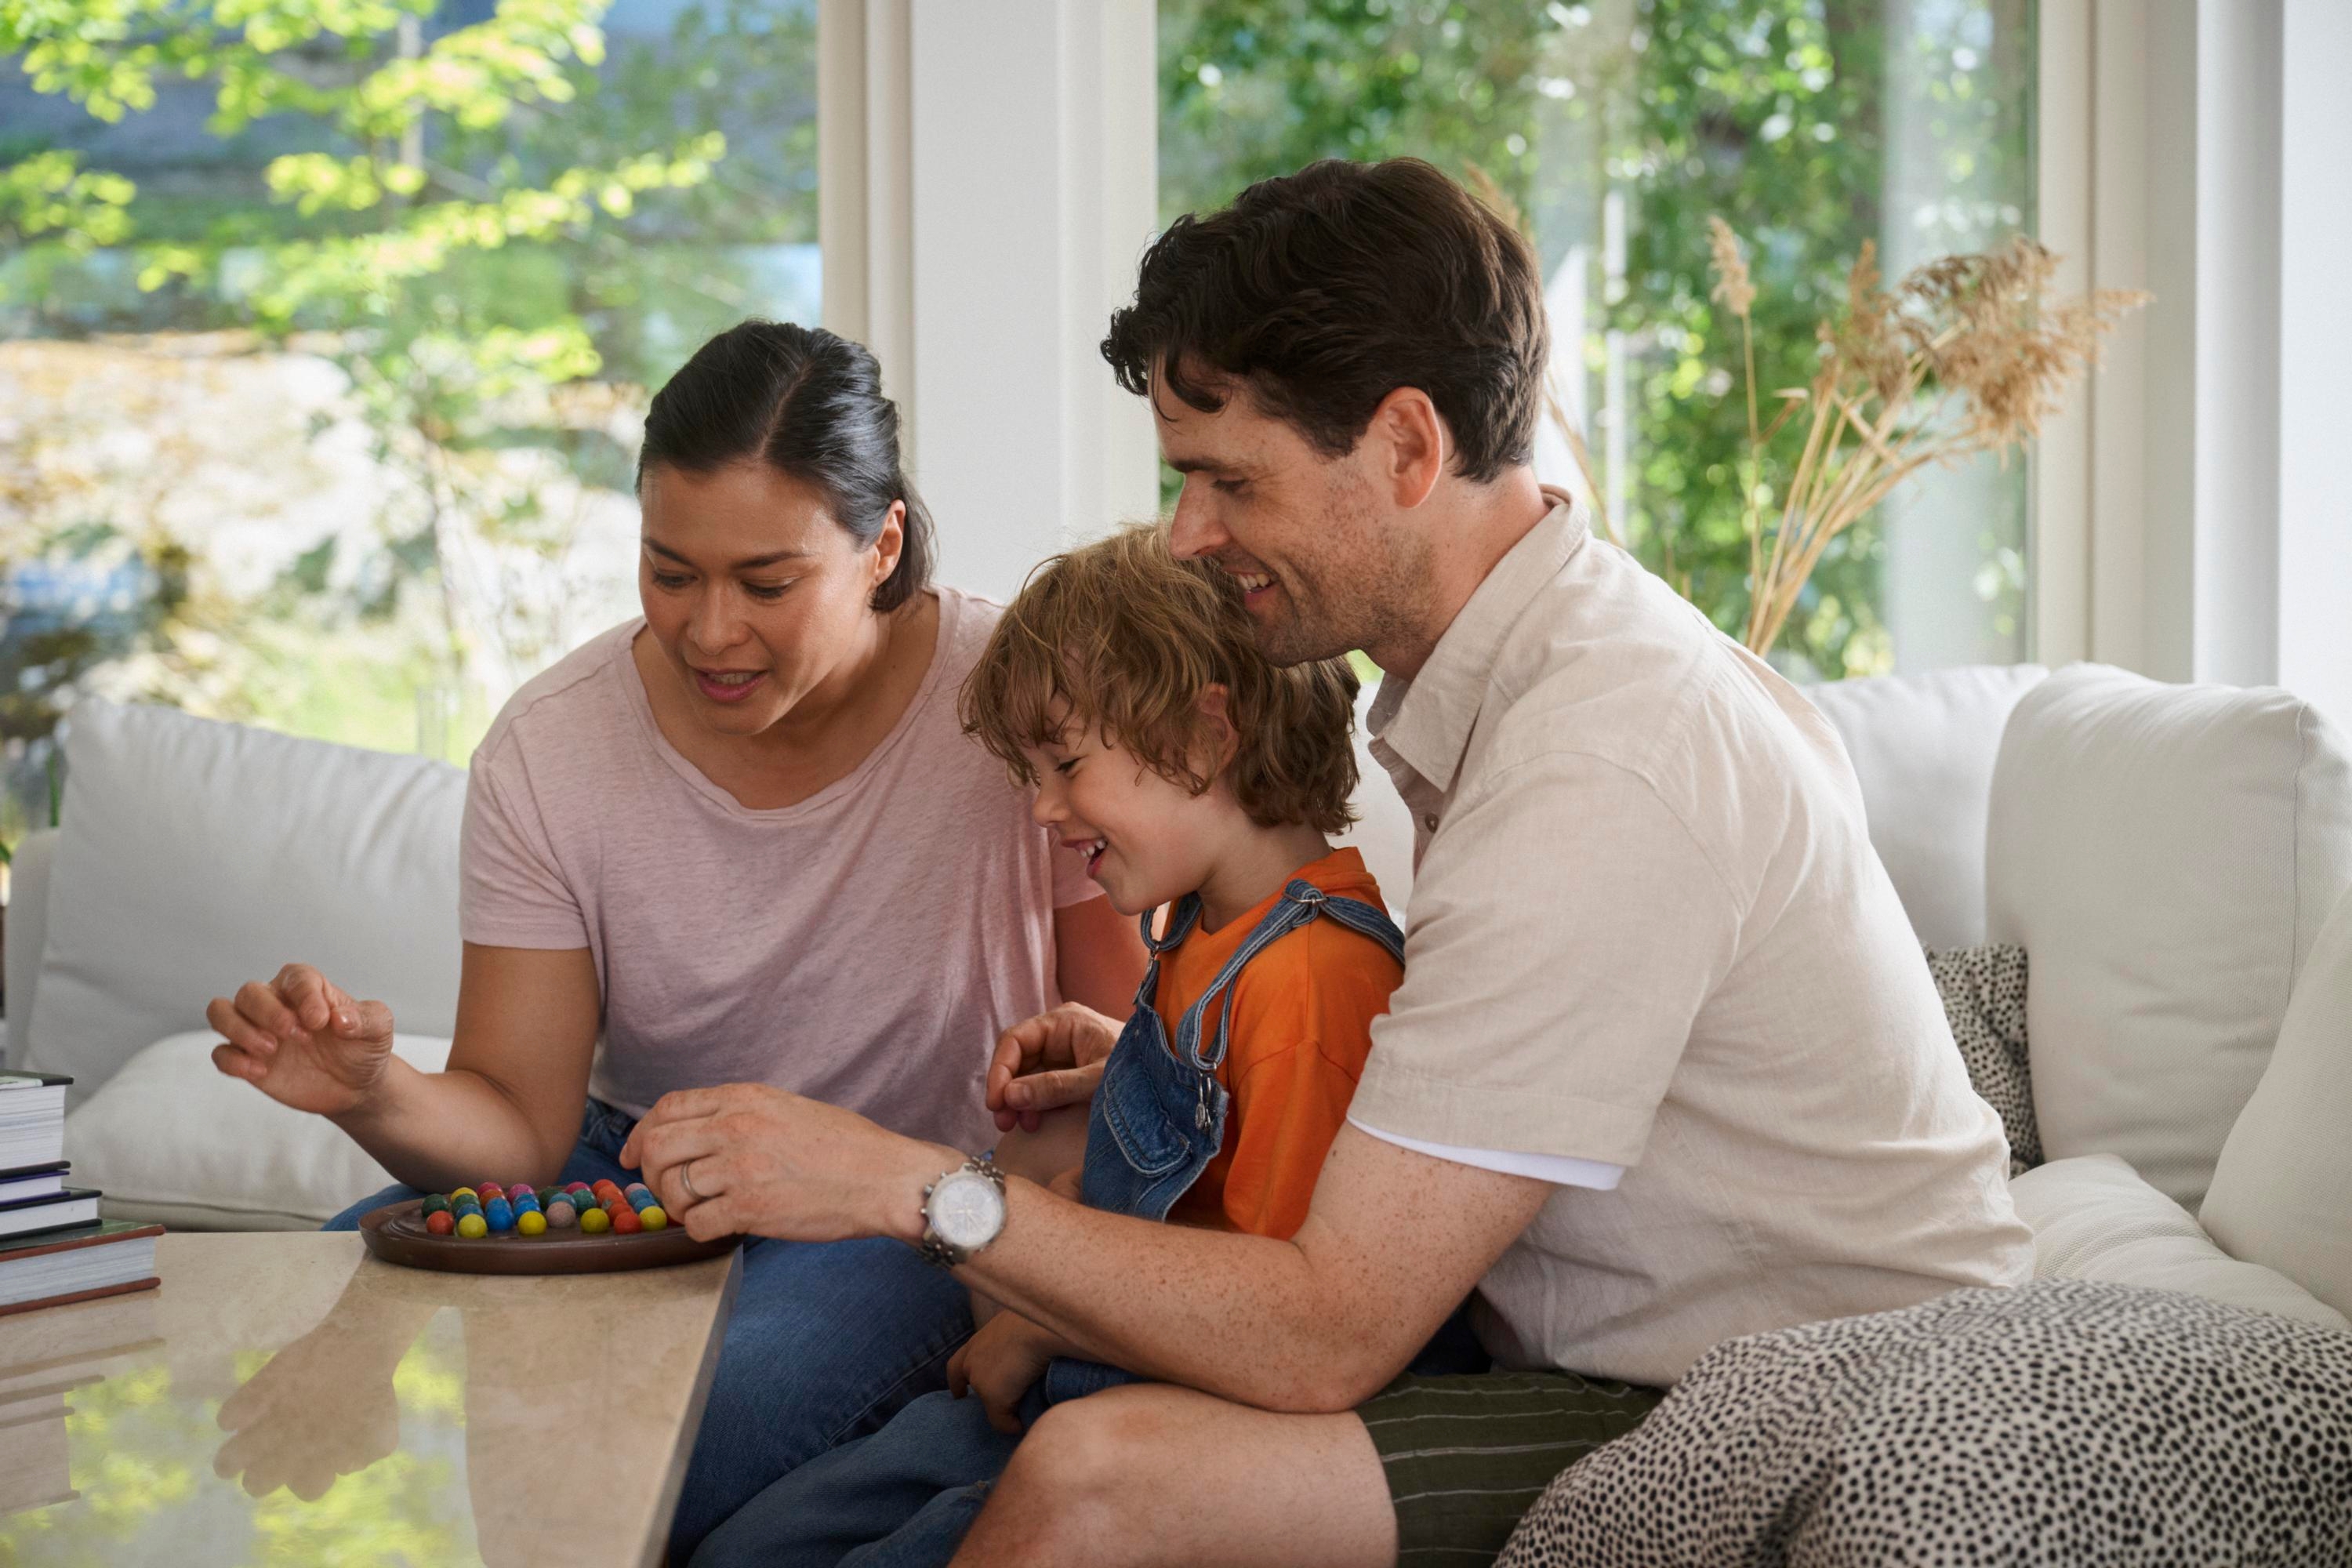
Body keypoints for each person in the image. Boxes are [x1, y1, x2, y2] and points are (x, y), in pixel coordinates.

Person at [614, 160, 2035, 1568]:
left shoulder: (1602, 759)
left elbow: (1323, 1329)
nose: (1189, 535)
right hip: (1641, 1349)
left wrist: (906, 1189)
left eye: (1231, 480)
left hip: (1783, 1401)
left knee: (1105, 1477)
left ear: (1407, 448)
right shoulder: (1547, 674)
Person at [201, 320, 1146, 1557]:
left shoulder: (1019, 700)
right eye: (668, 569)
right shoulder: (553, 747)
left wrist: (1002, 1228)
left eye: (766, 583)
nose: (709, 632)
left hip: (897, 1198)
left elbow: (1124, 1071)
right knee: (311, 1305)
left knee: (675, 1423)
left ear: (882, 547)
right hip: (635, 1170)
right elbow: (521, 1131)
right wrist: (373, 1093)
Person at [690, 522, 1443, 1568]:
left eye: (1066, 763)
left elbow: (1259, 1311)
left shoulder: (1313, 979)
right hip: (1062, 1382)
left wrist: (1042, 1326)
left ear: (1205, 734)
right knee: (748, 1547)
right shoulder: (1200, 932)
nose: (1042, 809)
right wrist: (1121, 1069)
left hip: (1158, 1422)